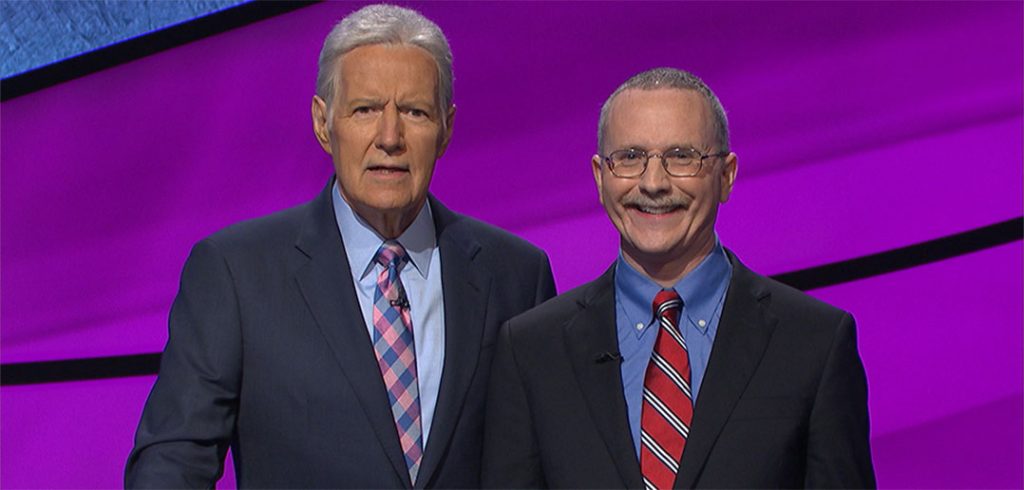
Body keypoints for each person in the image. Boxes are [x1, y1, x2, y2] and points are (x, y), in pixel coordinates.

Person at [125, 4, 556, 488]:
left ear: (446, 128)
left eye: (414, 112)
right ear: (322, 122)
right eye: (365, 110)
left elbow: (544, 462)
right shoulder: (235, 273)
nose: (389, 137)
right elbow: (172, 464)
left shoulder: (517, 274)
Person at [482, 67, 874, 489]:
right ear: (600, 177)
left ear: (726, 175)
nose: (653, 183)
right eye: (630, 157)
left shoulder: (814, 342)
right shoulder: (531, 351)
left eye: (681, 156)